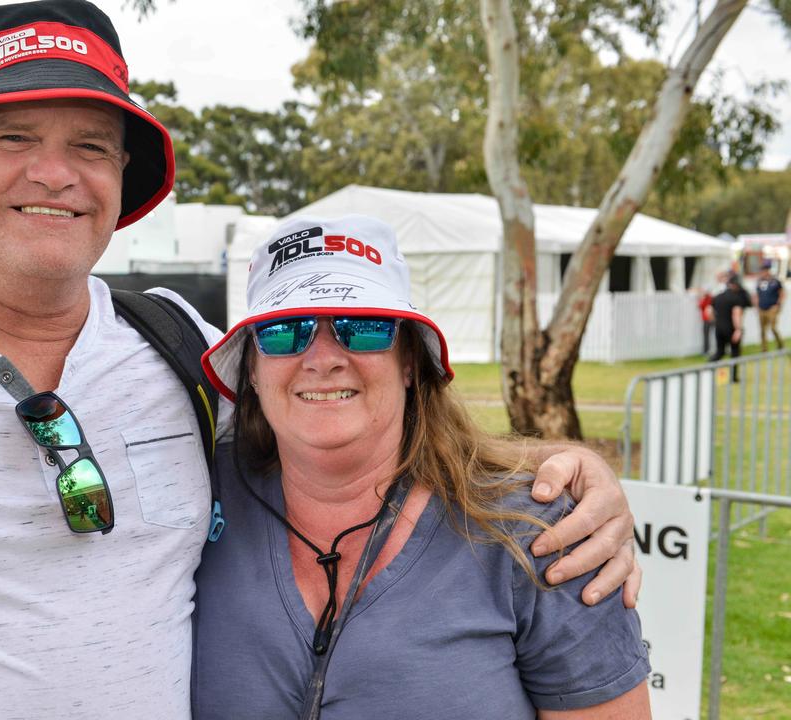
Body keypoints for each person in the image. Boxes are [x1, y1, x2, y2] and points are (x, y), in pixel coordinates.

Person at [0, 3, 639, 718]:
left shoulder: (176, 347)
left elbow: (349, 427)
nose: (54, 173)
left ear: (123, 176)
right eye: (12, 136)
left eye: (91, 144)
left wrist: (568, 479)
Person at [194, 215, 649, 718]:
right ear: (253, 371)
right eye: (283, 331)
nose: (322, 359)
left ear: (409, 362)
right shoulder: (195, 492)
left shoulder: (537, 533)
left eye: (363, 327)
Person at [710, 271, 752, 379]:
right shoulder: (736, 298)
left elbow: (710, 312)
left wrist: (718, 322)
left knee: (720, 352)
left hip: (719, 328)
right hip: (731, 329)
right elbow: (736, 314)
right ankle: (733, 377)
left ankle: (707, 368)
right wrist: (738, 330)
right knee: (735, 352)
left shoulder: (718, 296)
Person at [754, 259, 784, 352]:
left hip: (772, 308)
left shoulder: (775, 281)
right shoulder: (759, 282)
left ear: (768, 270)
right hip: (762, 308)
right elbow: (756, 295)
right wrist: (757, 306)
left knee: (773, 327)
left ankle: (780, 344)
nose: (763, 272)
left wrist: (778, 304)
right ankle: (764, 349)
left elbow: (782, 293)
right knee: (762, 330)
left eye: (764, 270)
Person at [696, 285, 714, 356]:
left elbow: (700, 305)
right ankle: (708, 350)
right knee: (709, 335)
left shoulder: (707, 298)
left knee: (706, 336)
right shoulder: (711, 298)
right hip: (709, 319)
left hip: (707, 319)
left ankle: (706, 350)